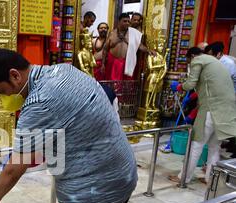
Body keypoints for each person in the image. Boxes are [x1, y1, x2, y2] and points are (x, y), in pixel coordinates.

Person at [0, 49, 138, 203]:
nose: (4, 99)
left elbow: (12, 171)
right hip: (121, 173)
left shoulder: (38, 103)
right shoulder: (64, 70)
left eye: (2, 92)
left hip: (93, 193)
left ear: (15, 75)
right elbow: (72, 121)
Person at [168, 47, 236, 184]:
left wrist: (179, 87)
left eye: (188, 61)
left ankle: (183, 178)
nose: (190, 64)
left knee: (196, 145)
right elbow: (207, 87)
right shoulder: (216, 62)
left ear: (192, 56)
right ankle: (210, 179)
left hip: (211, 110)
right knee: (214, 147)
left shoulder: (198, 60)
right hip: (227, 111)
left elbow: (191, 83)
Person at [101, 13, 154, 81]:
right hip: (112, 63)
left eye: (128, 21)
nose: (127, 23)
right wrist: (103, 64)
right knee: (110, 84)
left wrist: (148, 50)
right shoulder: (112, 33)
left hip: (126, 63)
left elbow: (139, 45)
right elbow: (105, 49)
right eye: (125, 21)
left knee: (124, 85)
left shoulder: (133, 33)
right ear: (119, 21)